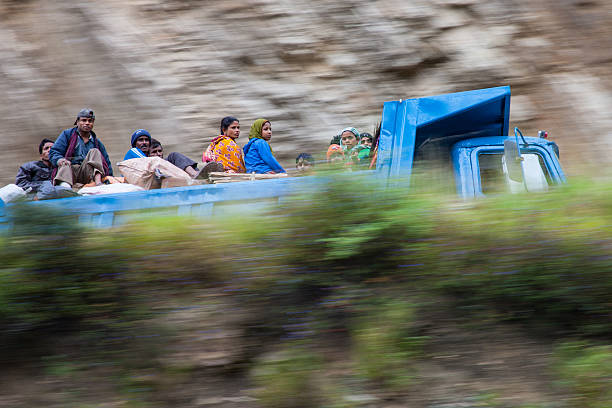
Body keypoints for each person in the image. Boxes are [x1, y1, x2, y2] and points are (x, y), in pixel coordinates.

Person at [49, 108, 113, 187]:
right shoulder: (67, 135)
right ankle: (65, 187)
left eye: (90, 121)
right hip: (70, 172)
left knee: (95, 151)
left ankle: (98, 182)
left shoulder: (96, 142)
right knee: (64, 163)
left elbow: (106, 162)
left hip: (87, 173)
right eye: (84, 120)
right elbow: (53, 152)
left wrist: (110, 177)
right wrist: (59, 159)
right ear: (77, 122)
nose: (87, 123)